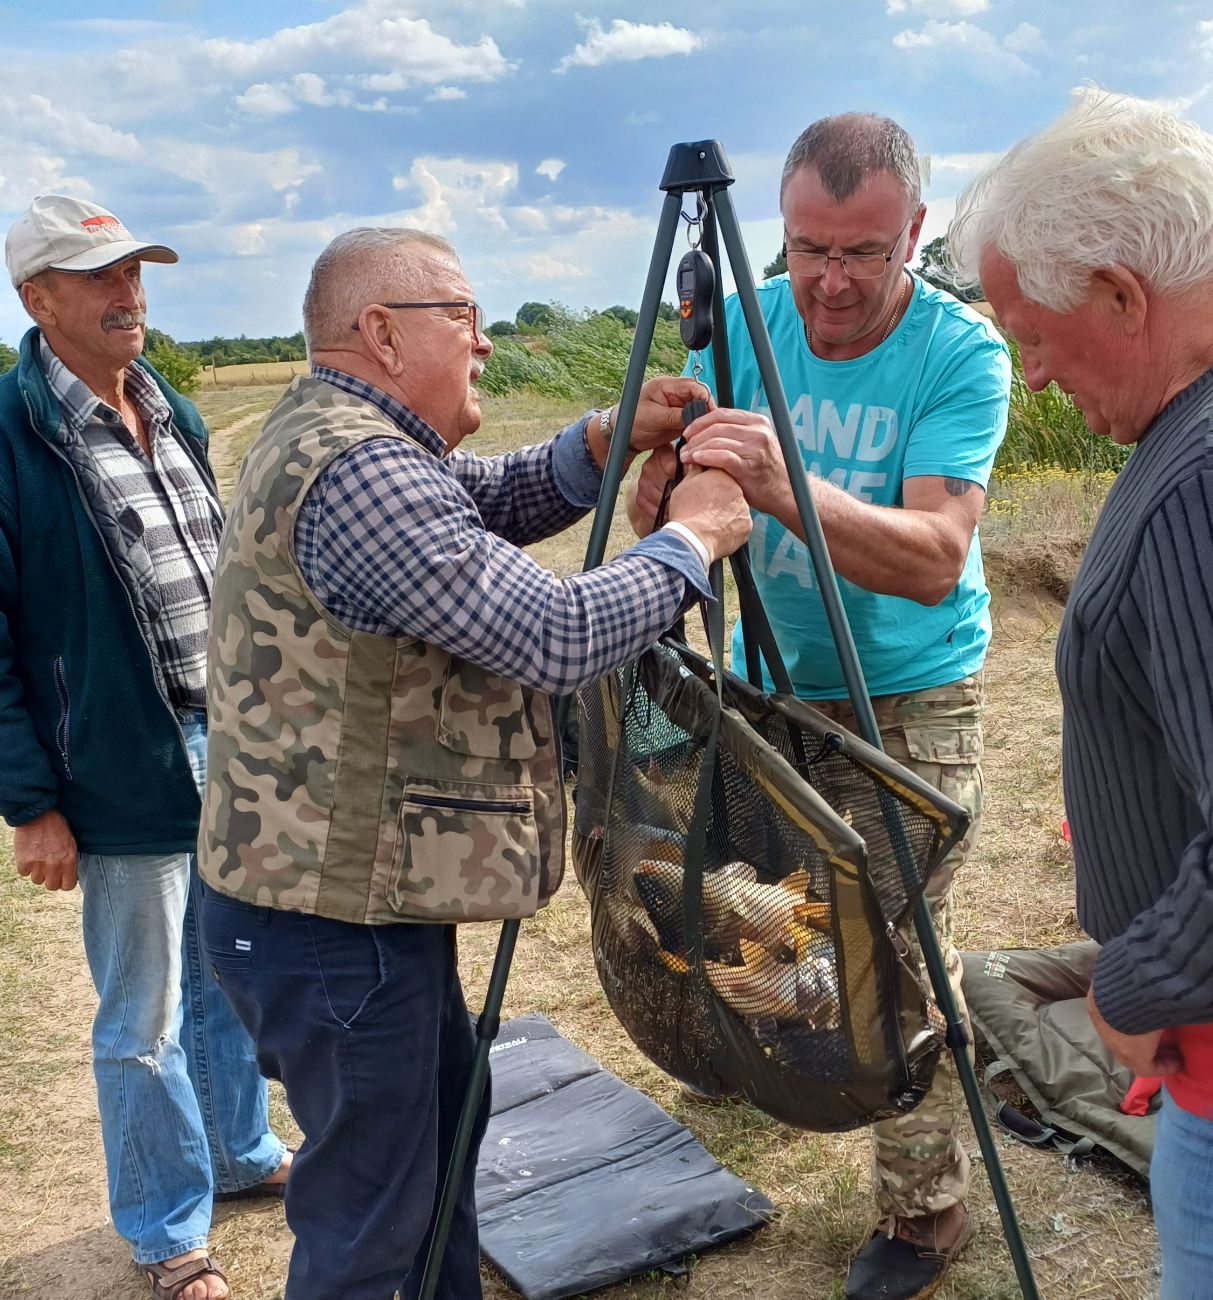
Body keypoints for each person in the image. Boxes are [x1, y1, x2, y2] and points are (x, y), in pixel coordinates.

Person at [196, 226, 750, 1300]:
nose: (484, 341)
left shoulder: (349, 437)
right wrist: (692, 540)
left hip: (341, 905)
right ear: (381, 333)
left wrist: (599, 442)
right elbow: (553, 632)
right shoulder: (356, 468)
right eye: (462, 314)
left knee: (436, 1159)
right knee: (373, 1225)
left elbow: (469, 504)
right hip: (331, 922)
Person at [629, 114, 1011, 1300]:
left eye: (862, 253)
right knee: (753, 911)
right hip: (772, 685)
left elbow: (933, 556)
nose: (830, 282)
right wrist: (664, 490)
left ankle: (923, 1210)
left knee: (886, 952)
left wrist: (782, 484)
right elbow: (674, 504)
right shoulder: (745, 329)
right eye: (808, 249)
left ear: (914, 233)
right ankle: (774, 1062)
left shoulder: (960, 353)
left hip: (912, 696)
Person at [0, 196, 289, 1300]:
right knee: (145, 1014)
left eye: (133, 270)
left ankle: (241, 1153)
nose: (129, 294)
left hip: (227, 742)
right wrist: (30, 801)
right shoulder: (11, 438)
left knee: (231, 972)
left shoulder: (170, 407)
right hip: (117, 764)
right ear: (38, 300)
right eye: (99, 276)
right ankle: (168, 1232)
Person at [951, 88, 1213, 1300]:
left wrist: (1135, 981)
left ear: (1118, 292)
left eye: (1033, 334)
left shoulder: (1196, 483)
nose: (1036, 374)